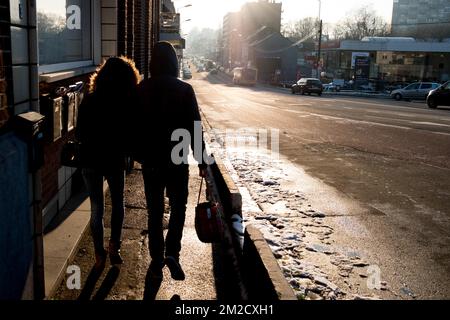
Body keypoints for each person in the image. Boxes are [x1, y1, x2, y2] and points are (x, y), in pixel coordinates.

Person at [137, 42, 207, 280]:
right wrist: (203, 162)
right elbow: (195, 130)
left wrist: (139, 155)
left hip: (152, 162)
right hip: (177, 161)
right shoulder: (185, 90)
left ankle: (156, 259)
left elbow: (133, 128)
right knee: (178, 208)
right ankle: (173, 253)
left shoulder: (142, 89)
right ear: (174, 63)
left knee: (154, 212)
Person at [76, 56, 140, 270]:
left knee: (96, 208)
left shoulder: (89, 99)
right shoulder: (126, 102)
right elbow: (130, 133)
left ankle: (98, 254)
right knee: (118, 203)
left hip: (91, 159)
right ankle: (114, 247)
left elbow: (80, 132)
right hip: (114, 159)